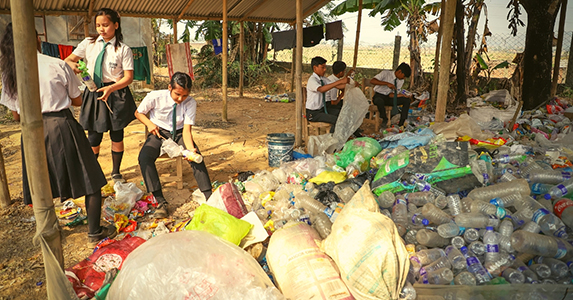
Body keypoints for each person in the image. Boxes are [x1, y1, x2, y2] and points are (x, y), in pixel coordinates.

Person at [0, 23, 116, 247]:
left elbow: (15, 116)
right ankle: (94, 232)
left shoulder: (9, 74)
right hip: (62, 126)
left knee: (43, 186)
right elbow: (77, 100)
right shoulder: (56, 65)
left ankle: (48, 231)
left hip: (31, 134)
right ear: (37, 40)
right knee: (91, 180)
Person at [64, 8, 136, 182]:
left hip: (116, 94)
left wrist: (111, 88)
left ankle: (116, 172)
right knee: (94, 135)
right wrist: (74, 67)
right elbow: (69, 59)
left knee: (116, 134)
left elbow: (128, 78)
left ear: (116, 25)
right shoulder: (89, 43)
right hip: (94, 92)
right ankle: (92, 172)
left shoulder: (123, 49)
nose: (101, 29)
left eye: (105, 25)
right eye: (98, 26)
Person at [135, 72, 213, 219]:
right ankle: (160, 201)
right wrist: (150, 124)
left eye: (184, 96)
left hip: (179, 133)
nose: (180, 99)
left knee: (197, 157)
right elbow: (138, 113)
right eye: (177, 94)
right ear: (169, 87)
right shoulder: (155, 97)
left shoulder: (190, 102)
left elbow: (187, 131)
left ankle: (209, 196)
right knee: (144, 158)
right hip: (158, 132)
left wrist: (190, 150)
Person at [306, 56, 349, 133]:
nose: (325, 69)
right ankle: (332, 139)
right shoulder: (312, 80)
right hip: (313, 114)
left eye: (325, 67)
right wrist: (340, 81)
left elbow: (338, 86)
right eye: (322, 67)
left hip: (322, 109)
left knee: (341, 113)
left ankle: (339, 136)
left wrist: (350, 85)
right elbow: (321, 89)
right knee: (336, 120)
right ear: (315, 68)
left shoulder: (323, 79)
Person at [370, 62, 412, 128]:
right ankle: (384, 118)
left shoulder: (401, 81)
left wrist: (402, 95)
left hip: (389, 97)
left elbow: (392, 95)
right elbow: (372, 81)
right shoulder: (386, 73)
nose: (404, 78)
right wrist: (386, 83)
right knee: (379, 101)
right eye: (404, 76)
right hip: (379, 95)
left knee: (406, 100)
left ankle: (401, 123)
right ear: (399, 72)